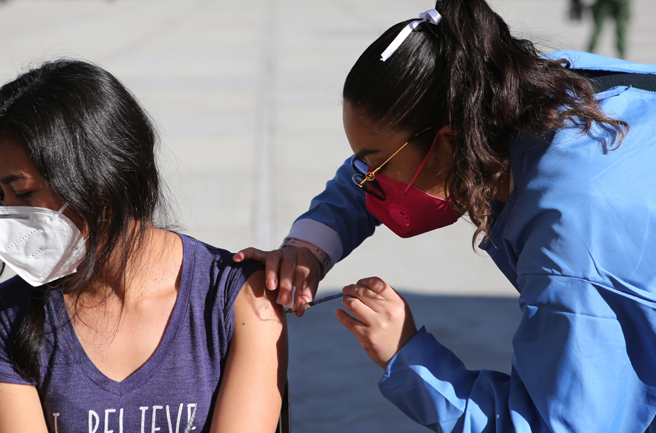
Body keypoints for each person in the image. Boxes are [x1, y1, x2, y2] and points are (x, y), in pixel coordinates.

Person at [234, 0, 656, 431]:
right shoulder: (510, 89)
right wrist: (310, 246)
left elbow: (556, 424)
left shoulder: (574, 238)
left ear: (450, 141)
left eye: (376, 166)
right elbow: (376, 162)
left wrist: (407, 356)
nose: (366, 179)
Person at [0, 59, 287, 433]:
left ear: (104, 175)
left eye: (23, 192)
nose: (8, 215)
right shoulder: (4, 319)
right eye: (1, 196)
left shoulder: (239, 298)